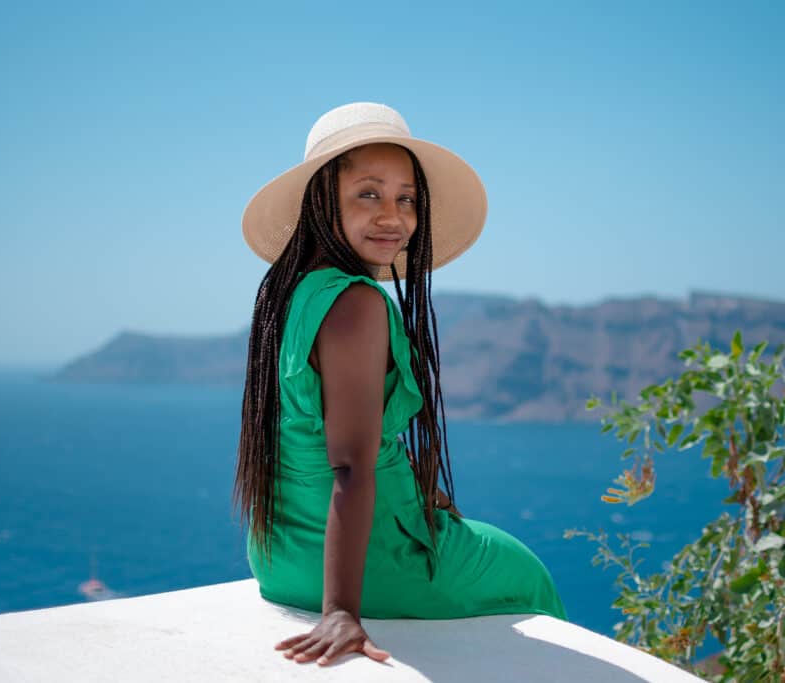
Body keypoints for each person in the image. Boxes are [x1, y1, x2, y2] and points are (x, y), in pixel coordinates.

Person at [235, 102, 566, 667]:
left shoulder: (289, 293)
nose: (392, 216)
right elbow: (350, 465)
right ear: (322, 202)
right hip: (365, 569)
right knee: (521, 567)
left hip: (280, 558)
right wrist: (341, 610)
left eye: (407, 199)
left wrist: (416, 484)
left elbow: (320, 430)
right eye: (368, 194)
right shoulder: (357, 303)